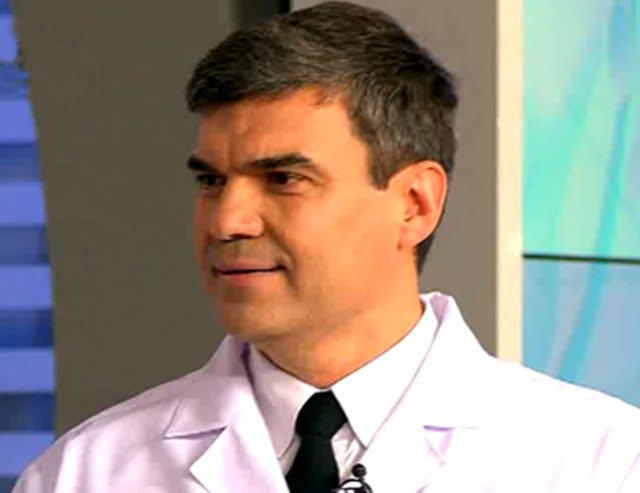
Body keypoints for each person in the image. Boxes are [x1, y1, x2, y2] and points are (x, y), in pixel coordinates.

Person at [13, 2, 640, 492]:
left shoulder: (602, 465)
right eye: (211, 181)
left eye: (284, 179)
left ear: (415, 203)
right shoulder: (82, 475)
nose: (227, 221)